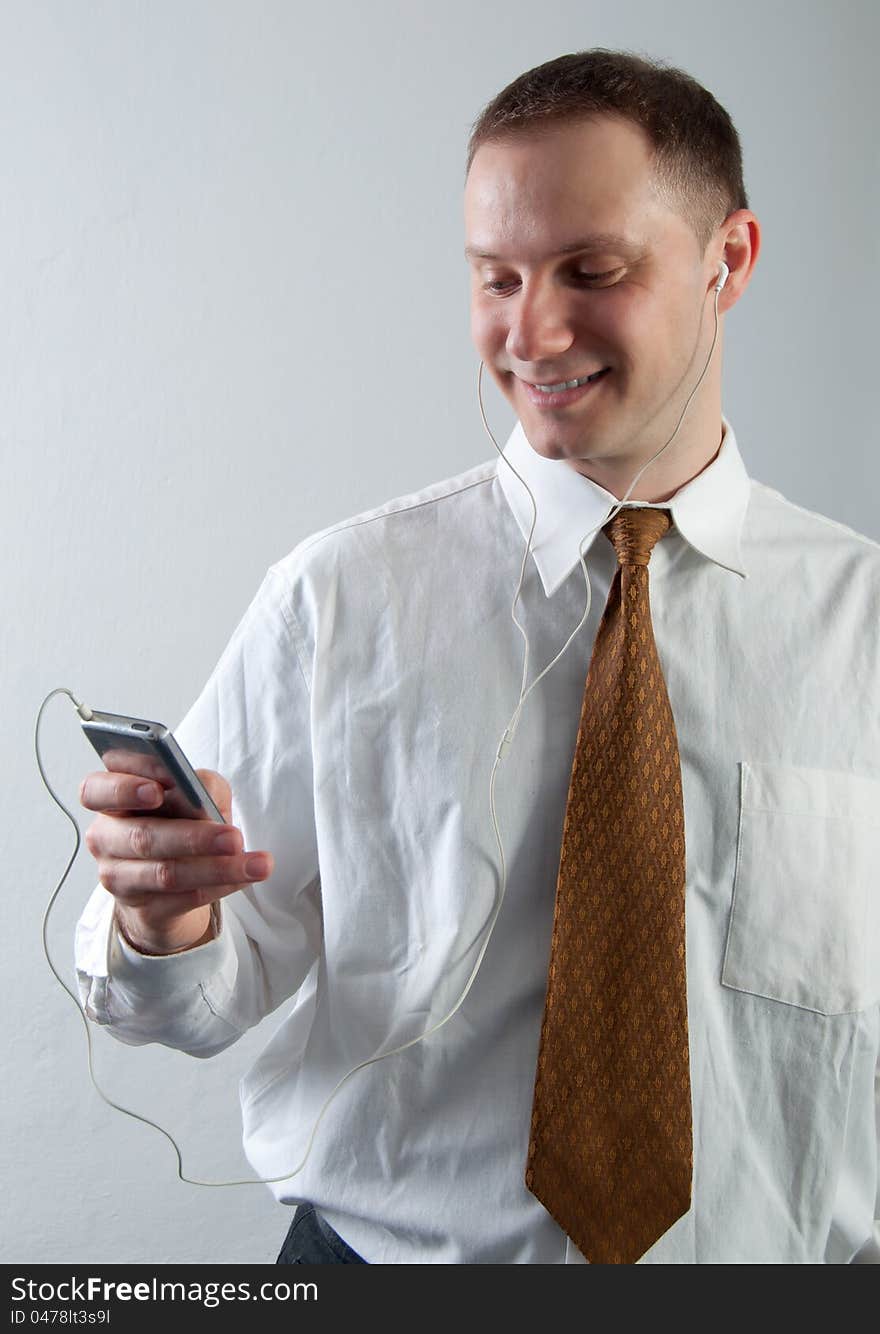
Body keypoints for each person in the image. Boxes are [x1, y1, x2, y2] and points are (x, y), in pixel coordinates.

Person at [74, 49, 879, 1264]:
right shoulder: (336, 601)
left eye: (590, 271)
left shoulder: (864, 624)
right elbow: (190, 1003)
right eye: (495, 277)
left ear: (729, 262)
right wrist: (161, 919)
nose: (531, 331)